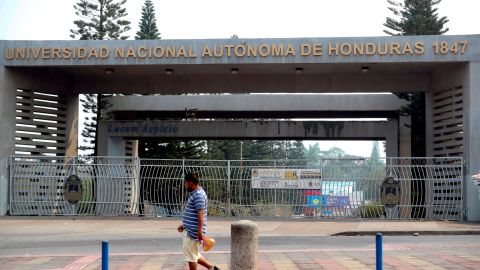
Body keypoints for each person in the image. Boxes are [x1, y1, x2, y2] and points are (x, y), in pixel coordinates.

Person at [177, 172, 220, 270]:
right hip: (190, 229)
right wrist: (184, 225)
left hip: (194, 232)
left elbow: (200, 214)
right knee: (193, 253)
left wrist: (199, 231)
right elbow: (193, 213)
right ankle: (212, 268)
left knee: (191, 257)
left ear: (191, 183)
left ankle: (211, 267)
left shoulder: (198, 195)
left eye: (185, 183)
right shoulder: (195, 194)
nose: (185, 185)